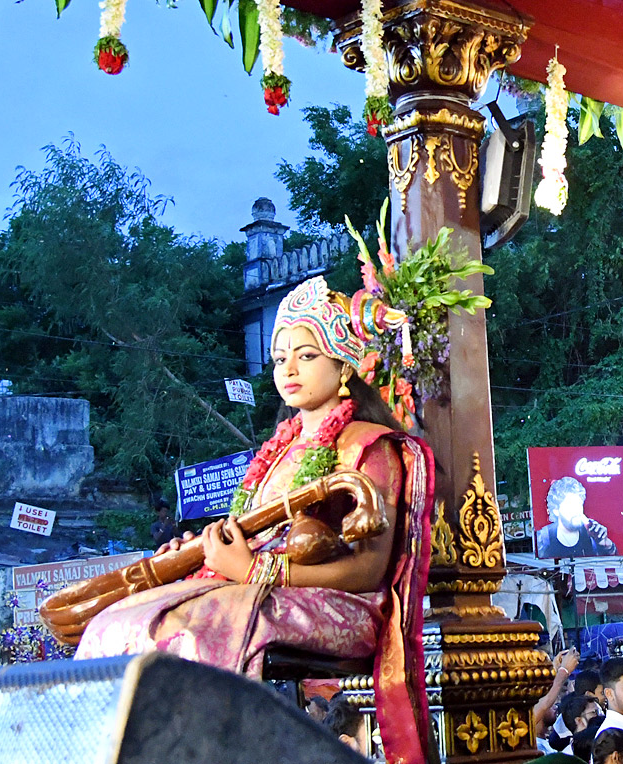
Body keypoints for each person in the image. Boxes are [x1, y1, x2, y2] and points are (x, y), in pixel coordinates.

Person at [76, 276, 434, 764]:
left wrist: (256, 571)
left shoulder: (368, 445)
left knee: (185, 627)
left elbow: (368, 572)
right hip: (249, 587)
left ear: (344, 364)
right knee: (117, 621)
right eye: (280, 357)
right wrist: (203, 554)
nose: (288, 368)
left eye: (306, 356)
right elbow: (250, 539)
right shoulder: (279, 450)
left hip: (335, 600)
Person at [536, 477, 617, 557]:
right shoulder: (543, 538)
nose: (577, 510)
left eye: (579, 504)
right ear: (556, 510)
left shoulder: (592, 533)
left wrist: (606, 545)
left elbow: (613, 562)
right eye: (571, 505)